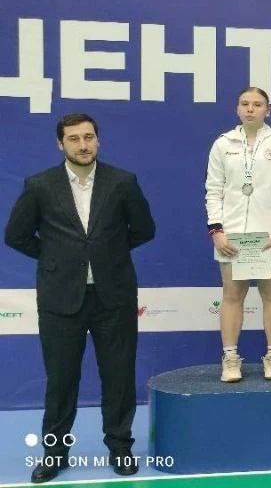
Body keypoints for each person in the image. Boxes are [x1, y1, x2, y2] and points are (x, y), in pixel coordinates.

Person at [5, 113, 156, 484]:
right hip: (60, 299)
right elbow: (16, 235)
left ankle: (120, 448)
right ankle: (54, 454)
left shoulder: (123, 182)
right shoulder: (40, 185)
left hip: (114, 296)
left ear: (98, 140)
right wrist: (56, 259)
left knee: (119, 376)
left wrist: (108, 254)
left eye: (89, 137)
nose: (83, 145)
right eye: (74, 139)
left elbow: (144, 229)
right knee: (61, 380)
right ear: (61, 144)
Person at [205, 87, 271, 382]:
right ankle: (230, 358)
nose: (250, 109)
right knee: (232, 296)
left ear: (267, 110)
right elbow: (213, 190)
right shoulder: (222, 144)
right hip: (231, 238)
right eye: (245, 104)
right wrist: (217, 230)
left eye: (257, 104)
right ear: (237, 108)